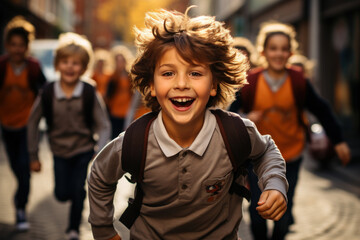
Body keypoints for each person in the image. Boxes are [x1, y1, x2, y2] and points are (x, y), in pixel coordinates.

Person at [88, 7, 288, 240]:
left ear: (213, 84)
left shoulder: (234, 133)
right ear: (152, 85)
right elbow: (100, 176)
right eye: (168, 73)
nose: (181, 83)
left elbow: (265, 151)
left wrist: (274, 184)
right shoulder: (135, 142)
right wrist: (103, 231)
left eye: (195, 73)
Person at [229, 21, 351, 240]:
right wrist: (246, 117)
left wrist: (339, 141)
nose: (279, 53)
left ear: (290, 52)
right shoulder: (251, 81)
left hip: (290, 155)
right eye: (273, 48)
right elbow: (230, 115)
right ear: (263, 51)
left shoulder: (298, 80)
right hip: (256, 157)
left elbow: (322, 110)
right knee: (257, 213)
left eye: (284, 49)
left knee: (282, 212)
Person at [27, 32, 111, 240]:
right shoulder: (47, 92)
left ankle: (73, 229)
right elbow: (32, 123)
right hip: (59, 150)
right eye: (65, 62)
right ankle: (71, 199)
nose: (70, 67)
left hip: (83, 150)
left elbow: (103, 125)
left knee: (77, 190)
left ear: (83, 68)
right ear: (57, 65)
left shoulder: (89, 91)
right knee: (61, 193)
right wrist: (33, 155)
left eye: (76, 63)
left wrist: (100, 151)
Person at [0, 16, 46, 231]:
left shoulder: (33, 67)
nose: (17, 50)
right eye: (13, 45)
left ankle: (20, 210)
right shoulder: (1, 66)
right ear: (7, 45)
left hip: (29, 129)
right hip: (7, 127)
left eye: (22, 45)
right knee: (17, 170)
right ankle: (20, 202)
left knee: (24, 171)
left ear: (27, 46)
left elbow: (46, 94)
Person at [105, 45, 134, 137]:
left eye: (122, 60)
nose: (120, 63)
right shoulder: (112, 77)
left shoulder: (131, 77)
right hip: (114, 113)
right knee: (114, 137)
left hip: (127, 113)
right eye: (118, 61)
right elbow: (108, 96)